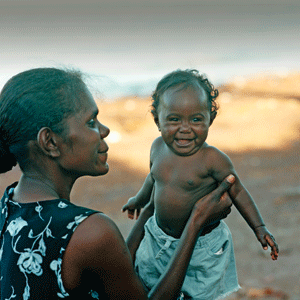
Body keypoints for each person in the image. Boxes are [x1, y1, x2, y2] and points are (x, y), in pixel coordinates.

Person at [0, 67, 235, 300]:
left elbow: (117, 270)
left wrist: (150, 208)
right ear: (50, 142)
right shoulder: (90, 231)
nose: (105, 130)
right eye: (91, 122)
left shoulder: (9, 205)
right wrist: (196, 220)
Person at [122, 69, 279, 299]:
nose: (185, 128)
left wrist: (259, 228)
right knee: (152, 280)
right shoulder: (157, 148)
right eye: (174, 119)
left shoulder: (213, 159)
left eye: (196, 119)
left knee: (198, 293)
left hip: (201, 247)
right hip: (158, 237)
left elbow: (238, 191)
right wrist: (139, 199)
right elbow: (153, 178)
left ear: (210, 120)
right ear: (158, 120)